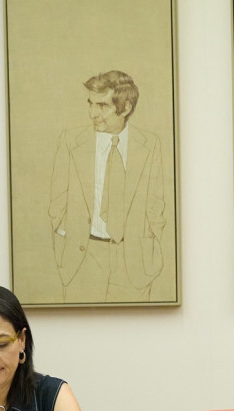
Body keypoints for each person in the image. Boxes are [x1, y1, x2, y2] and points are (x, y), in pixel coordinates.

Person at [49, 70, 166, 303]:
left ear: (125, 108)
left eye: (102, 106)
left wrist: (151, 238)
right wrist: (63, 239)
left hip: (134, 262)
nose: (93, 113)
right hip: (83, 258)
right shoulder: (71, 142)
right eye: (90, 104)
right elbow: (56, 203)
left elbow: (157, 203)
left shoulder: (150, 144)